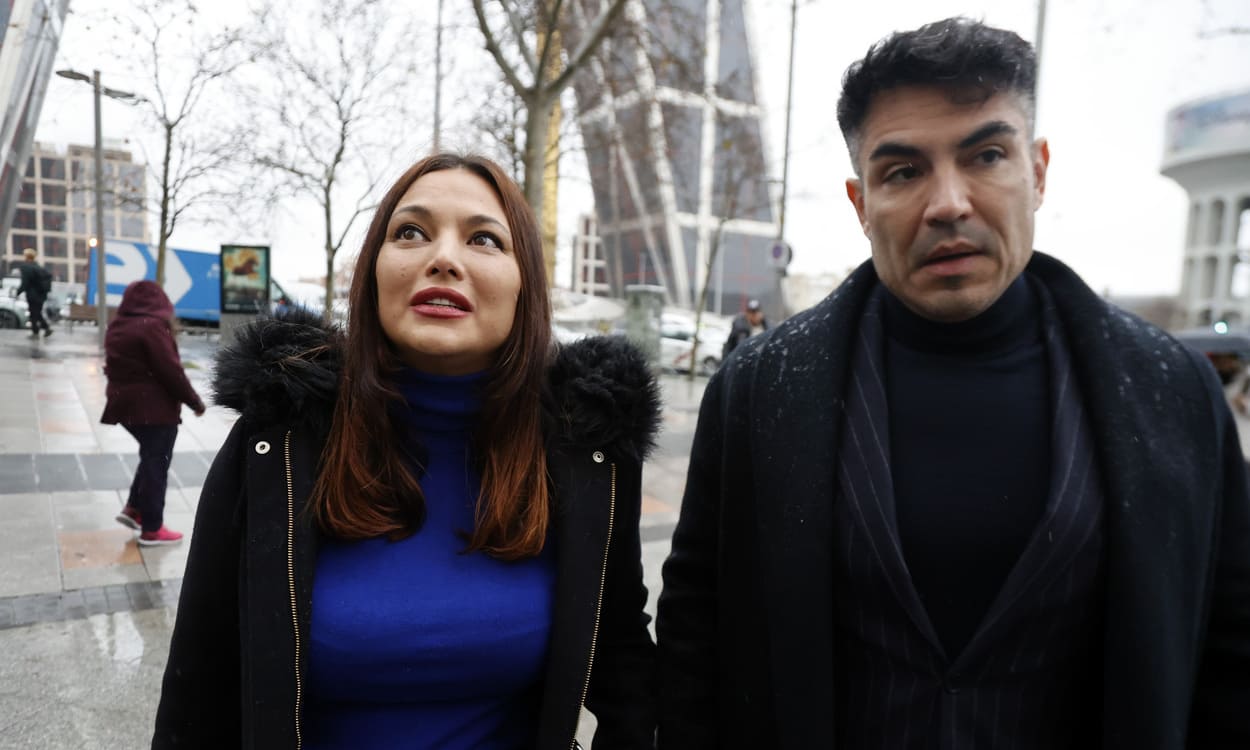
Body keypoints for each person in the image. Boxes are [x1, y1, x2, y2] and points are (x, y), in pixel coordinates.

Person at [656, 17, 1250, 749]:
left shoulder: (1175, 393)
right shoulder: (756, 392)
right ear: (860, 203)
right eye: (903, 171)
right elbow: (695, 637)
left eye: (986, 156)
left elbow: (1229, 650)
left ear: (1037, 171)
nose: (948, 203)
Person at [153, 154, 660, 748]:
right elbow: (199, 684)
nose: (443, 258)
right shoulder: (278, 441)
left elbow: (625, 667)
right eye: (411, 232)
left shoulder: (587, 449)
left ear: (525, 282)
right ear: (373, 270)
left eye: (484, 239)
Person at [102, 280, 206, 546]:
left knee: (151, 456)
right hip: (153, 408)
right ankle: (152, 528)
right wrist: (195, 402)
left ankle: (134, 508)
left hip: (124, 404)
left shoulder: (118, 325)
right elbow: (170, 370)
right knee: (156, 463)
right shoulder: (152, 327)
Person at [14, 247, 53, 338]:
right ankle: (42, 329)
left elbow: (25, 282)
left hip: (33, 294)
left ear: (26, 256)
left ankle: (38, 330)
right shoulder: (38, 267)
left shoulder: (26, 267)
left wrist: (18, 292)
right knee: (36, 313)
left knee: (34, 313)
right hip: (42, 294)